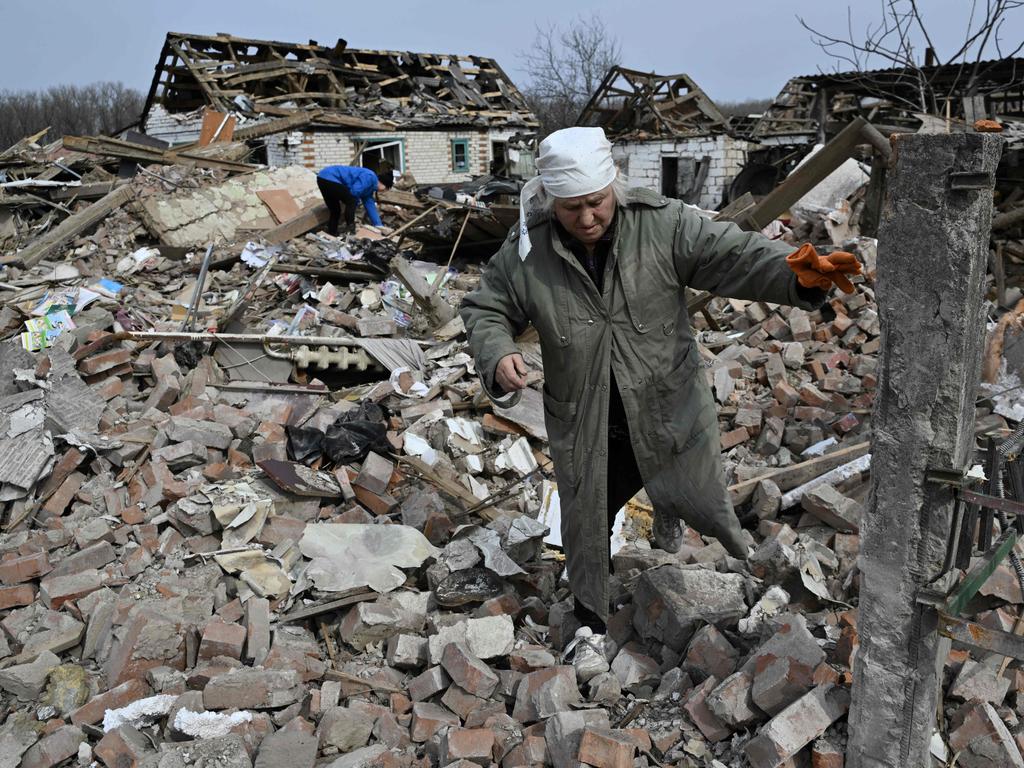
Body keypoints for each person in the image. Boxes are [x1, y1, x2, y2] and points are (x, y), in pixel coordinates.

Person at [459, 127, 861, 639]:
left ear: (615, 187)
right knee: (586, 521)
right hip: (589, 419)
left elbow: (734, 255)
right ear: (549, 201)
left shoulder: (664, 226)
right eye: (570, 208)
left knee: (705, 502)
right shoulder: (527, 253)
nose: (586, 219)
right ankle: (590, 622)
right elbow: (486, 307)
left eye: (596, 203)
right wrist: (497, 355)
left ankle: (755, 587)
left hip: (668, 409)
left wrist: (798, 277)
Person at [316, 164, 393, 235]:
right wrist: (356, 202)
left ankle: (332, 233)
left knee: (335, 210)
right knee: (352, 200)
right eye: (386, 188)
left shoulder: (369, 190)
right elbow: (354, 192)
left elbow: (370, 206)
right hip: (331, 177)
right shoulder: (370, 176)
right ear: (383, 183)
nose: (384, 191)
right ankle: (350, 228)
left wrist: (378, 225)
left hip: (322, 178)